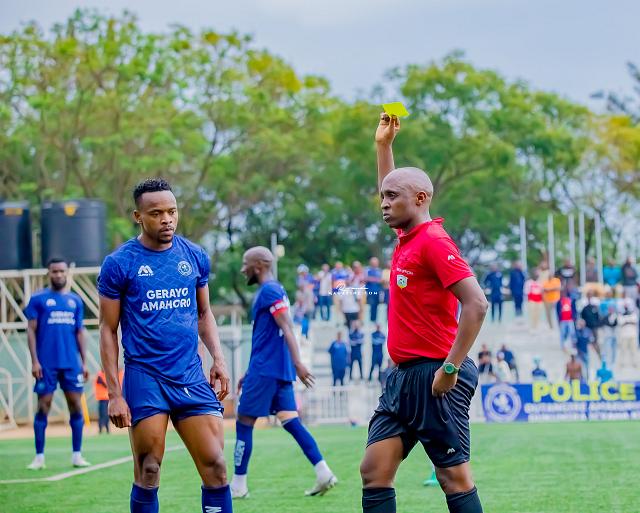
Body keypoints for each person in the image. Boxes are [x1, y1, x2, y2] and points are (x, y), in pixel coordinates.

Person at [360, 112, 488, 513]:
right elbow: (393, 184)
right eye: (382, 197)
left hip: (435, 375)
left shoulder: (433, 241)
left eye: (392, 197)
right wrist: (383, 146)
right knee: (374, 471)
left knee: (453, 478)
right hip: (401, 378)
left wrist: (450, 368)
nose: (384, 203)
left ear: (420, 199)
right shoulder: (407, 236)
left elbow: (477, 303)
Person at [98, 178, 232, 513]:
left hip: (189, 375)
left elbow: (204, 314)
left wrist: (218, 359)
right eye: (156, 213)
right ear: (138, 216)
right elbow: (107, 329)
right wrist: (114, 394)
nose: (167, 219)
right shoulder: (120, 263)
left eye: (172, 211)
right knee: (149, 470)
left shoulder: (194, 256)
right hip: (146, 377)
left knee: (216, 467)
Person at [232, 246, 337, 498]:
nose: (243, 269)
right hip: (276, 369)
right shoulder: (273, 290)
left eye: (246, 264)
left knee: (244, 422)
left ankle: (238, 485)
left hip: (267, 369)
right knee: (291, 422)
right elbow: (268, 337)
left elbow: (287, 327)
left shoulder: (269, 290)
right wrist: (249, 371)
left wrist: (298, 363)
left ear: (259, 266)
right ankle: (323, 472)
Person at [24, 258, 91, 470]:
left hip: (71, 363)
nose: (59, 275)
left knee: (76, 405)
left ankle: (77, 455)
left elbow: (80, 332)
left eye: (62, 271)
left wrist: (84, 362)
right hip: (46, 364)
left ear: (66, 273)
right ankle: (39, 457)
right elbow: (31, 330)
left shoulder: (75, 301)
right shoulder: (38, 299)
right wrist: (35, 361)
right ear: (49, 273)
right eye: (54, 271)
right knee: (43, 406)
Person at [95, 368, 124, 434]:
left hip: (107, 398)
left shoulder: (106, 375)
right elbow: (105, 385)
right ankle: (101, 429)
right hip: (102, 399)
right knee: (102, 414)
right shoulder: (100, 375)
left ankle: (107, 429)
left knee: (106, 414)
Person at [366, 257, 383, 323]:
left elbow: (381, 280)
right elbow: (366, 278)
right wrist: (376, 279)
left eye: (376, 263)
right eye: (373, 263)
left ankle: (375, 320)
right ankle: (372, 320)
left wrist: (373, 279)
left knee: (377, 305)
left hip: (378, 290)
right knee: (371, 305)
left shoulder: (379, 270)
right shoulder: (367, 270)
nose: (374, 264)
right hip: (370, 291)